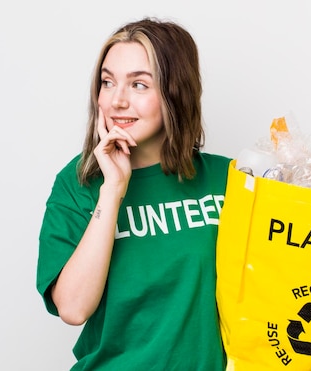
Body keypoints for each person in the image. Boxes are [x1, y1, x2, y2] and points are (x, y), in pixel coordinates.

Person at [36, 17, 231, 370]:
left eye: (139, 84)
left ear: (176, 91)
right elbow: (73, 308)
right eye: (107, 82)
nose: (117, 100)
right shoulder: (78, 182)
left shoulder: (227, 179)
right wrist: (112, 189)